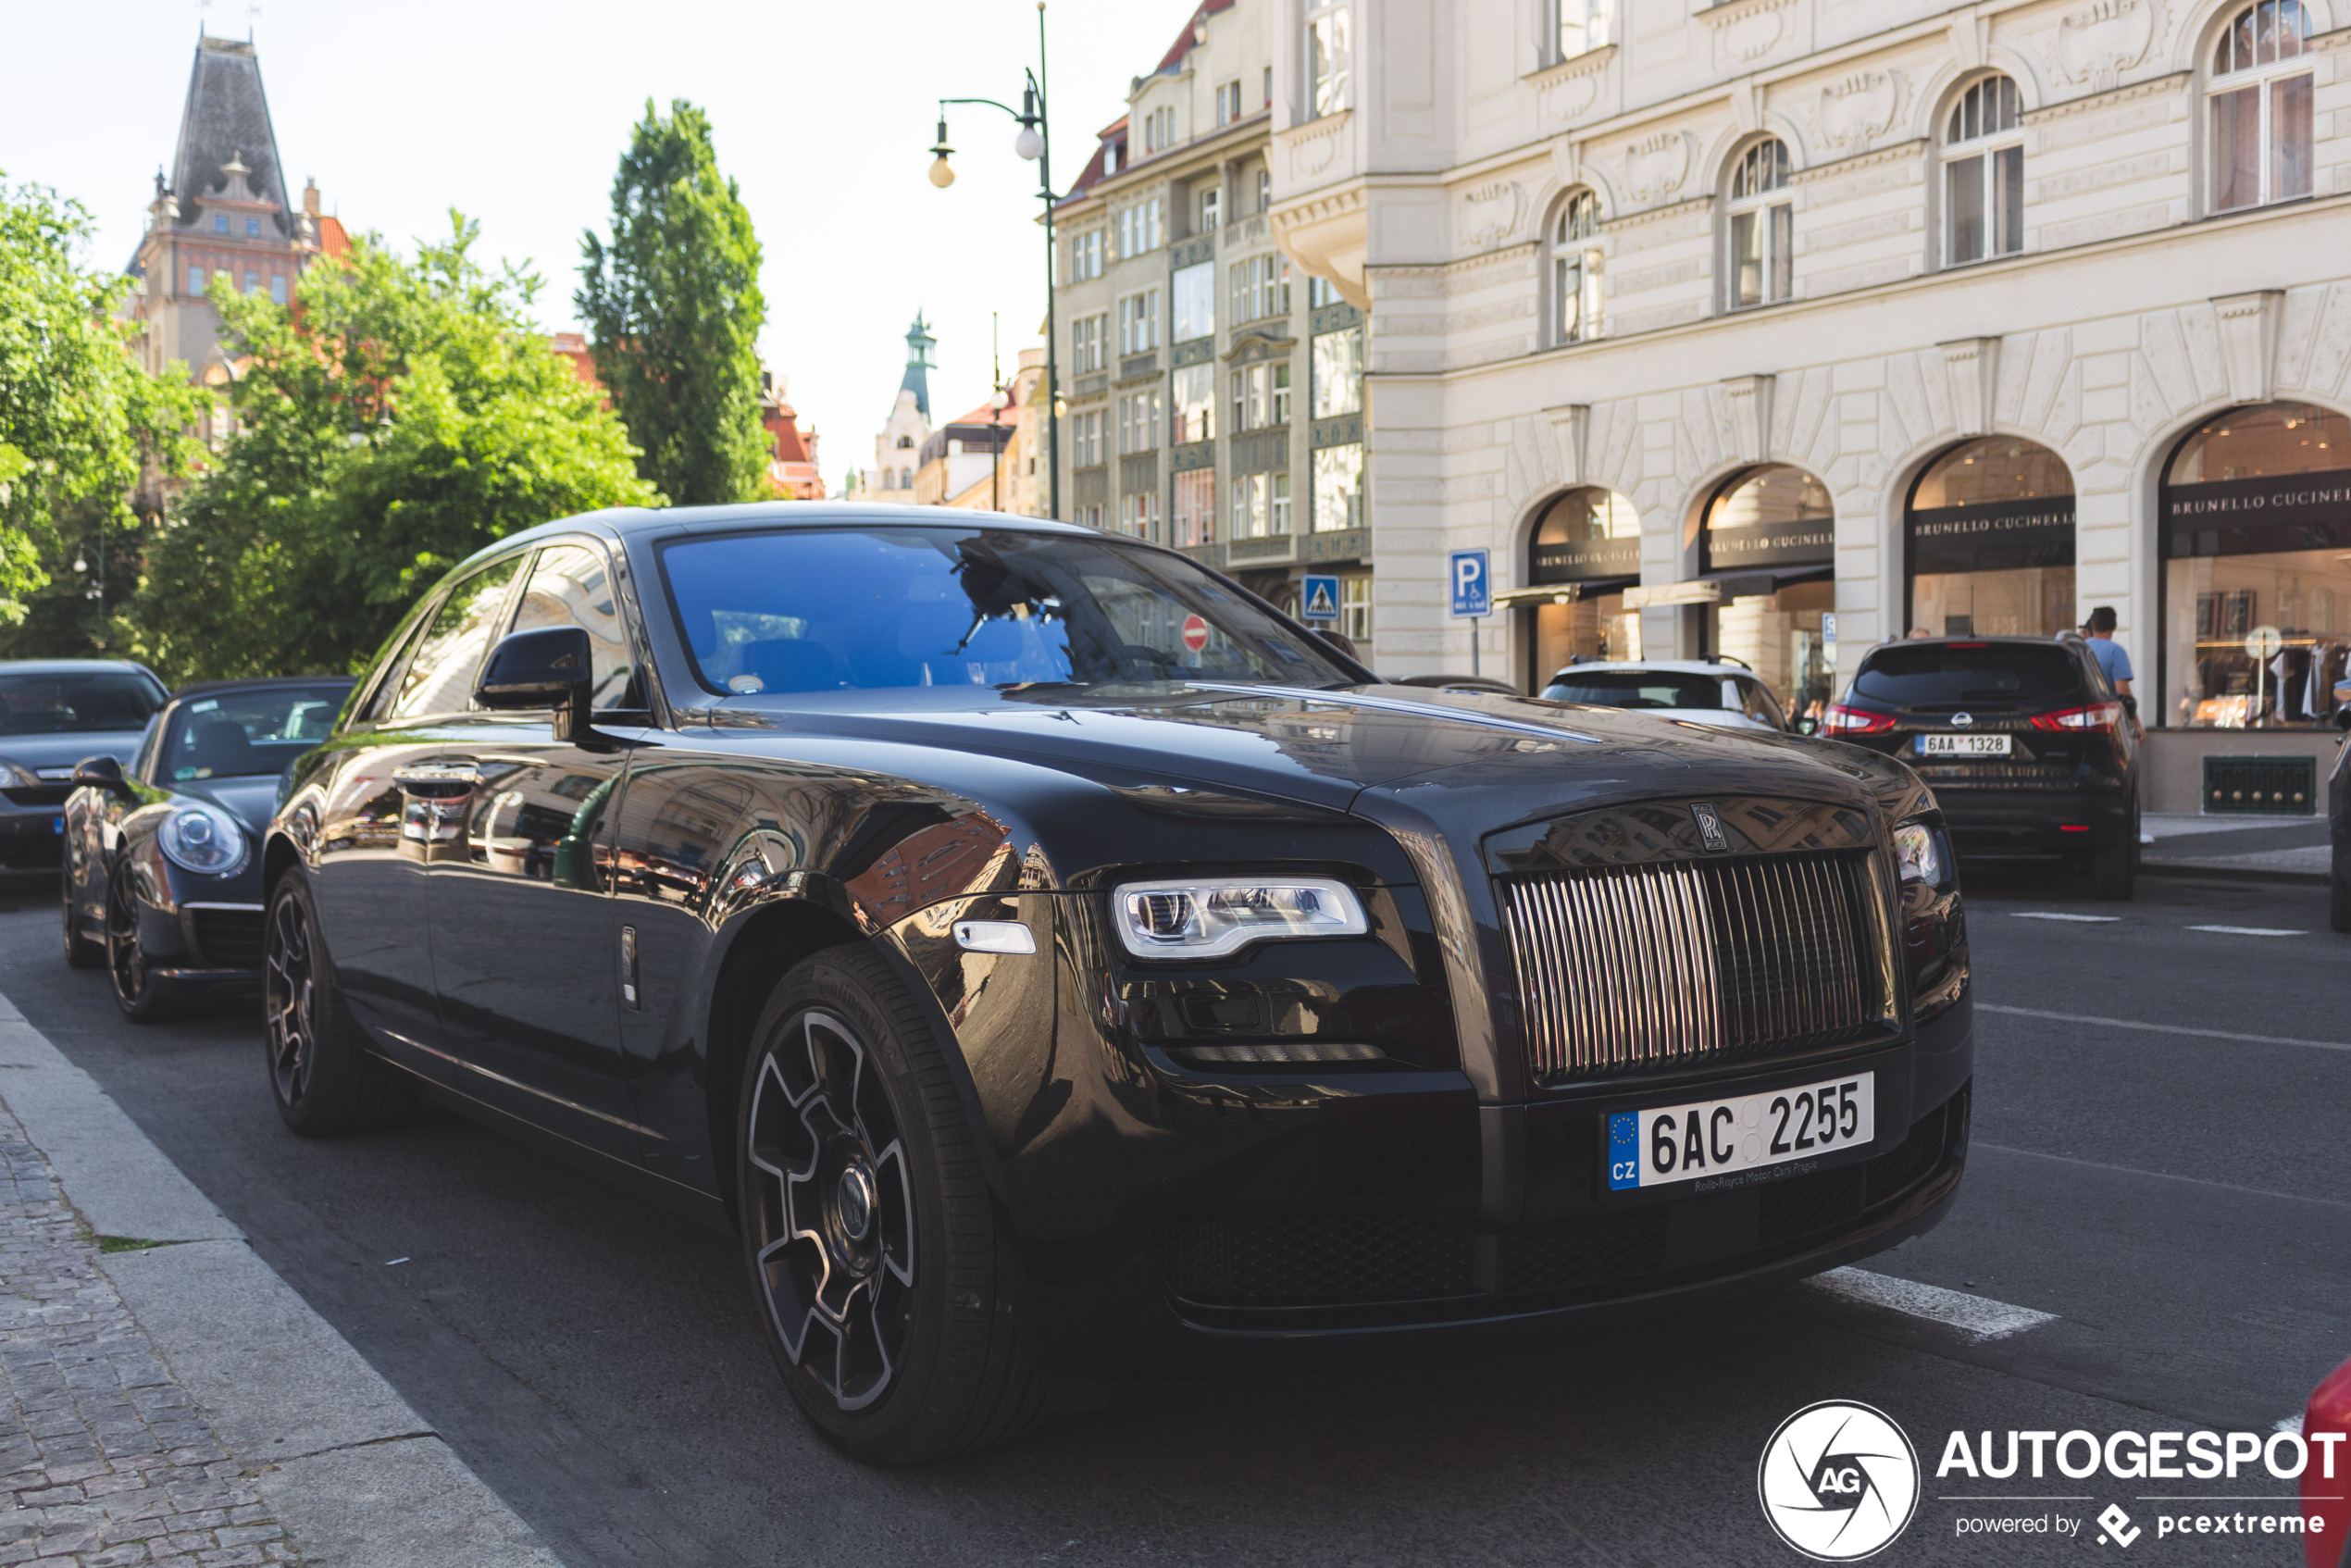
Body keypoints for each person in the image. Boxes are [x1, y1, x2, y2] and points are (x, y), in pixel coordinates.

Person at [2081, 605, 2133, 698]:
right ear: (2114, 625)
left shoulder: (2081, 648)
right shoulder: (2116, 651)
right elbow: (2123, 692)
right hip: (2105, 709)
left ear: (2093, 625)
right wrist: (2132, 711)